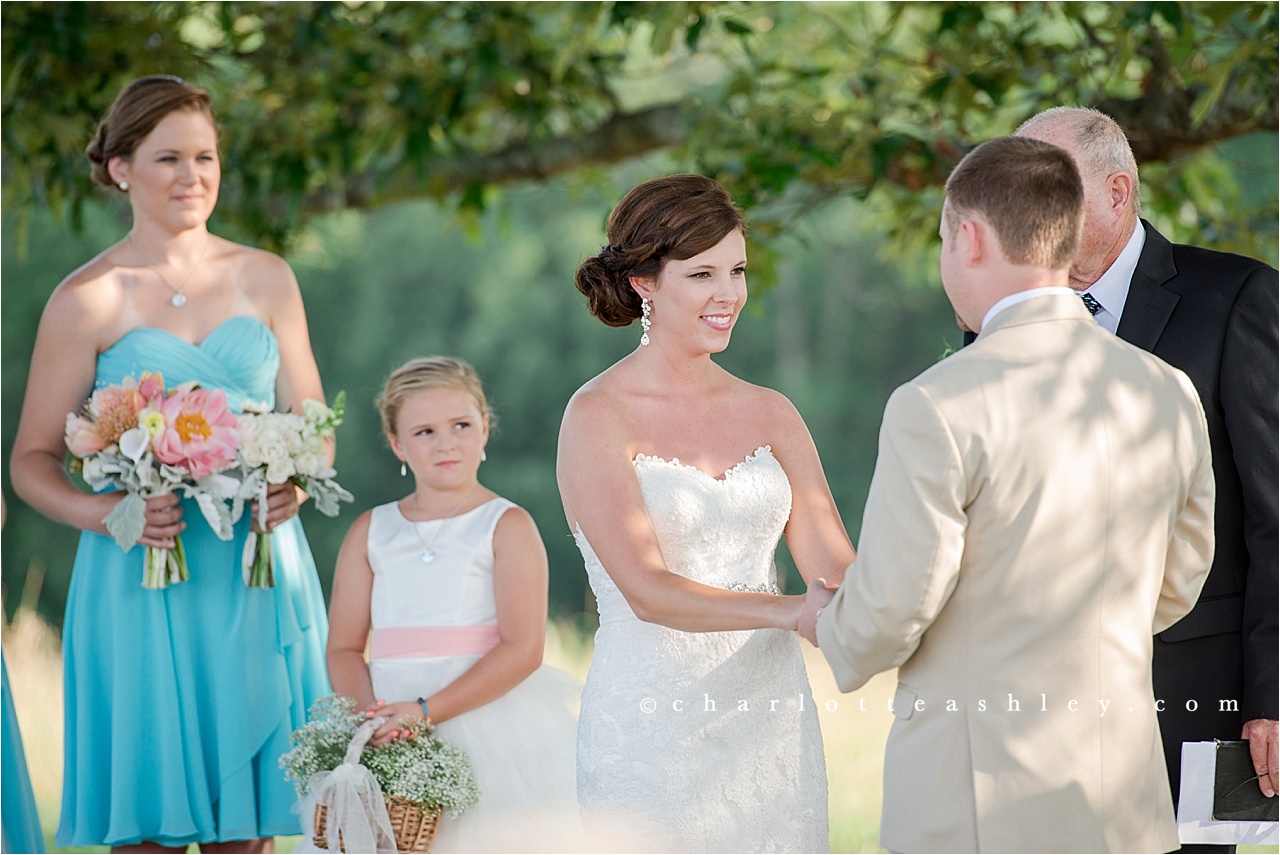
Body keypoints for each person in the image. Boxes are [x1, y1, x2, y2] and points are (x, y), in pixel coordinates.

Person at [804, 136, 1216, 852]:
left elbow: (893, 606)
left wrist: (828, 624)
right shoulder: (1166, 389)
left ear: (968, 237)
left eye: (942, 237)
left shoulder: (938, 403)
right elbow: (1180, 580)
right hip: (1127, 797)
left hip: (980, 800)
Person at [8, 75, 331, 853]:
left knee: (248, 829)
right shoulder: (87, 298)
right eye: (168, 159)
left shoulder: (268, 278)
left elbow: (316, 426)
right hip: (140, 573)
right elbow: (31, 460)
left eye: (206, 158)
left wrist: (294, 475)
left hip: (254, 569)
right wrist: (107, 511)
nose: (193, 177)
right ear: (121, 169)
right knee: (146, 828)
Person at [559, 173, 856, 852]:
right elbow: (647, 589)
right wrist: (787, 610)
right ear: (644, 283)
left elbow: (837, 568)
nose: (729, 294)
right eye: (702, 274)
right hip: (650, 730)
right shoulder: (597, 416)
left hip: (770, 726)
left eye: (738, 270)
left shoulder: (771, 412)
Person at [1013, 107, 1279, 827]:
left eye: (1048, 190)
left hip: (1192, 682)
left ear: (1118, 193)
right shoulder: (1000, 316)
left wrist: (1272, 697)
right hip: (1036, 696)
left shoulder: (1237, 299)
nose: (1024, 212)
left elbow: (1274, 515)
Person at [324, 357, 578, 853]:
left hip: (485, 720)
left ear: (484, 428)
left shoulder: (508, 525)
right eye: (424, 431)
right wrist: (369, 722)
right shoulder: (370, 533)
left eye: (461, 425)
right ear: (398, 444)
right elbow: (344, 647)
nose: (446, 443)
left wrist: (424, 712)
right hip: (387, 718)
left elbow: (523, 648)